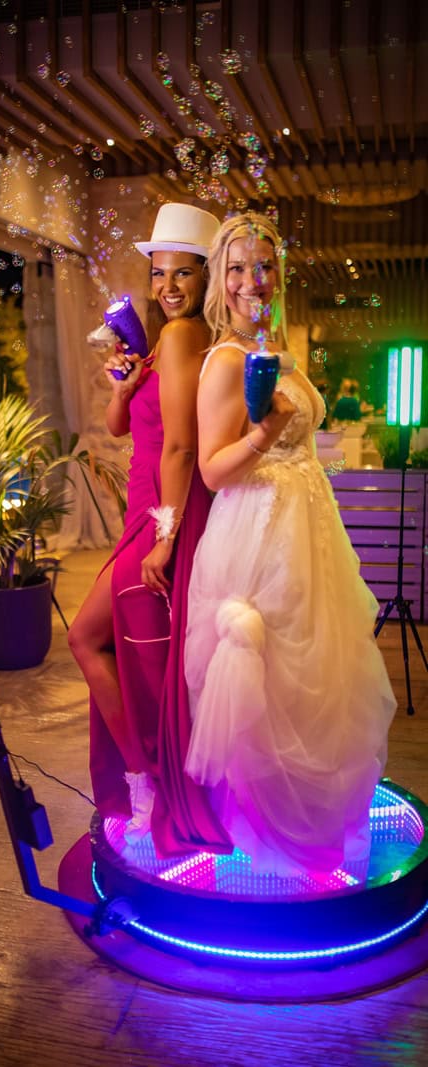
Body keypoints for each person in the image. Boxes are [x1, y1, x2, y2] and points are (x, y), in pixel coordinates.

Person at [182, 211, 397, 875]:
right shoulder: (225, 361)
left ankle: (319, 826)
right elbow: (212, 470)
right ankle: (274, 840)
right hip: (259, 535)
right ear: (220, 280)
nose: (252, 280)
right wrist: (264, 433)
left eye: (264, 266)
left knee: (322, 678)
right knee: (274, 680)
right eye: (237, 268)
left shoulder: (280, 350)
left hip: (310, 531)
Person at [68, 202, 225, 846]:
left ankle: (148, 779)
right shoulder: (163, 340)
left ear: (206, 276)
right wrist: (123, 388)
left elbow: (182, 448)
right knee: (125, 651)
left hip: (163, 516)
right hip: (145, 515)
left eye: (182, 273)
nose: (168, 286)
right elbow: (120, 429)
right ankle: (146, 776)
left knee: (91, 641)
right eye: (159, 273)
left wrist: (166, 537)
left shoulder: (186, 335)